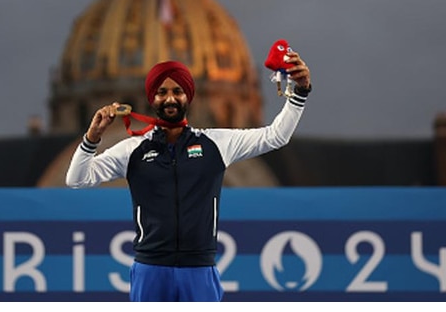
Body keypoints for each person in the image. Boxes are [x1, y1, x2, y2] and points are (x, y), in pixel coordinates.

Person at [65, 51, 311, 302]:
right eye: (162, 92)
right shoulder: (132, 149)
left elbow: (276, 136)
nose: (170, 98)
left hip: (199, 269)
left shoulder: (216, 143)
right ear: (152, 98)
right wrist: (92, 138)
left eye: (177, 91)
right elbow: (76, 179)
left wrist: (300, 93)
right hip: (150, 270)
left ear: (188, 97)